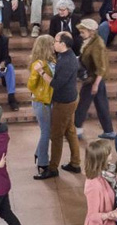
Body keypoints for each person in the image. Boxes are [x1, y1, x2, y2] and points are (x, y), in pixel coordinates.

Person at [33, 32, 81, 180]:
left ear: (63, 44)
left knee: (56, 135)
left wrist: (41, 71)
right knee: (70, 131)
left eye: (56, 41)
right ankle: (75, 163)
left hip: (64, 102)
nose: (54, 43)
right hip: (71, 98)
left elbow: (56, 84)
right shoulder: (68, 55)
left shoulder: (66, 61)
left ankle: (52, 168)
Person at [74, 19, 115, 141]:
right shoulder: (90, 41)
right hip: (95, 78)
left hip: (93, 79)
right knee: (101, 105)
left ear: (91, 32)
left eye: (83, 32)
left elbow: (101, 67)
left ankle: (77, 130)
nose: (81, 35)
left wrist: (96, 84)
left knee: (82, 104)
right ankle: (108, 131)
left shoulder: (98, 45)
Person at [27, 35, 56, 178]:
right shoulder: (38, 64)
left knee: (47, 131)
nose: (54, 46)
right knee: (46, 132)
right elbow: (31, 85)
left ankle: (39, 153)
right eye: (52, 44)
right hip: (41, 101)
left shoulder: (51, 61)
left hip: (49, 100)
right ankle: (43, 163)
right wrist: (39, 72)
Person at [83, 140, 117, 225]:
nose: (111, 154)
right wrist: (109, 215)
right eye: (109, 153)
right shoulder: (93, 185)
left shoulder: (108, 169)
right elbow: (92, 215)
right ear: (102, 158)